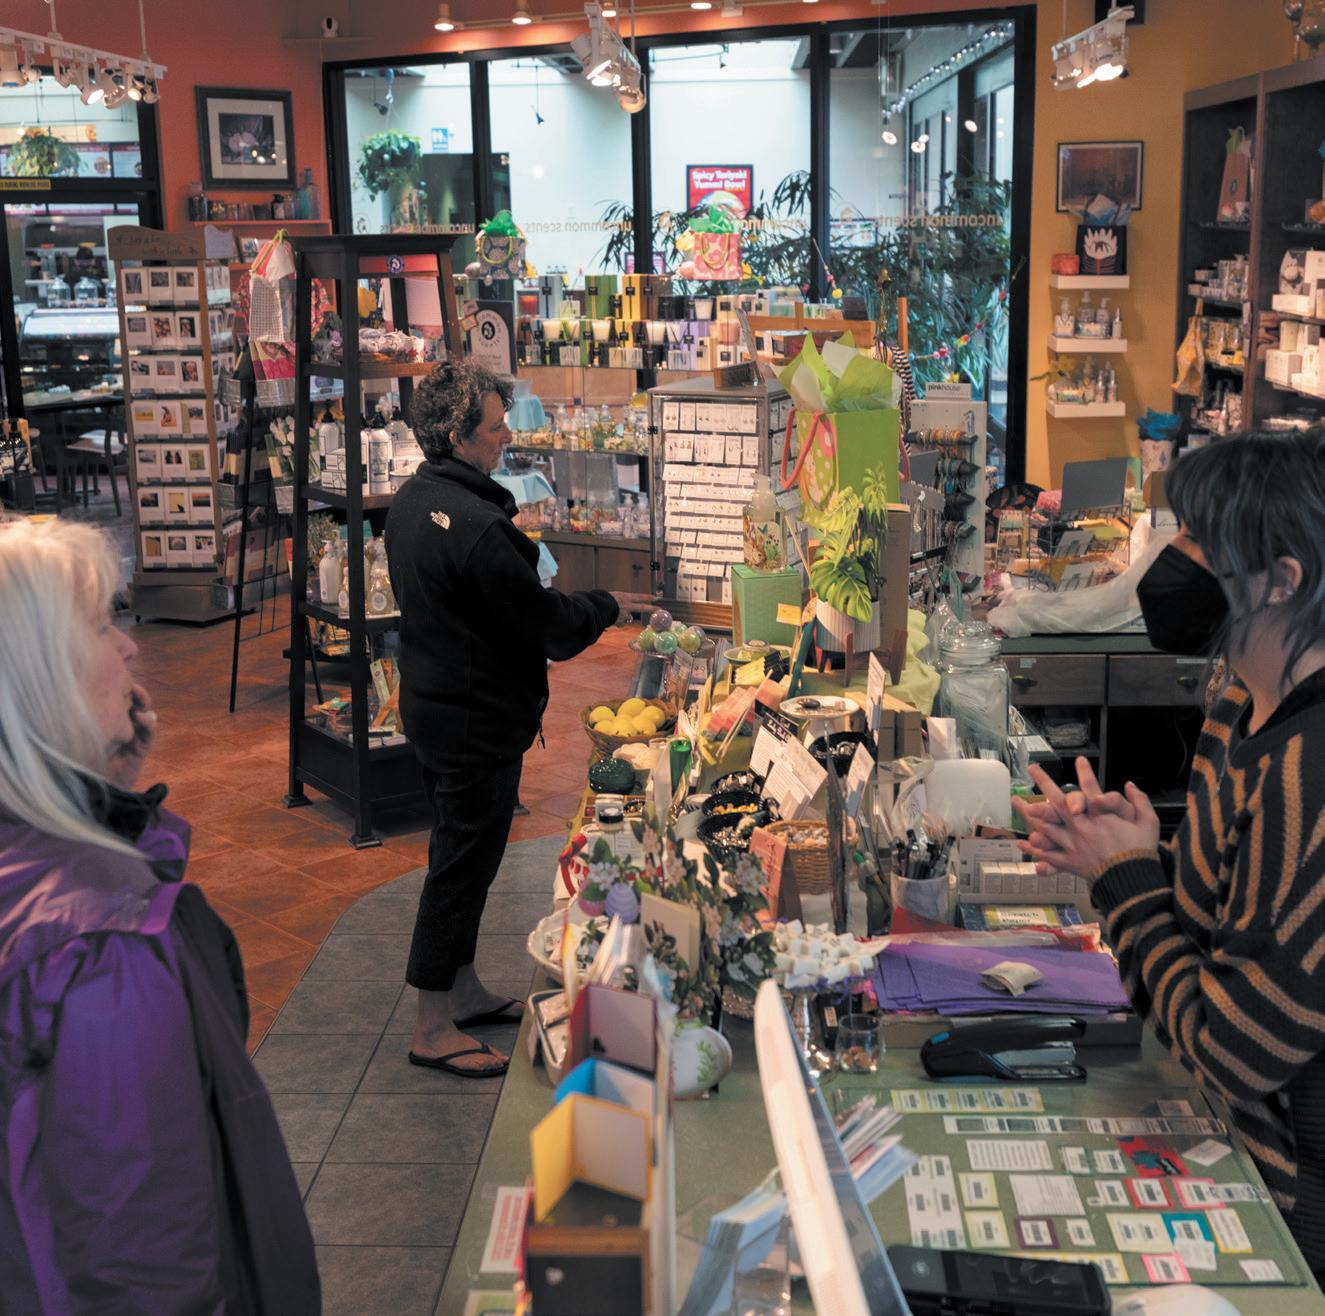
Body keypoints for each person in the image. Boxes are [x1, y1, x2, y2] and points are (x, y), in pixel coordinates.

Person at [1015, 429, 1325, 1280]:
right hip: (1219, 1139)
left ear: (1281, 578)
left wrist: (1125, 882)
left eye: (1198, 541)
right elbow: (1218, 924)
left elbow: (1233, 1045)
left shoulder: (1308, 776)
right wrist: (1137, 853)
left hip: (1287, 1218)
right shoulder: (1238, 705)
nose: (1172, 563)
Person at [0, 519, 319, 1312]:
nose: (129, 647)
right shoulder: (103, 946)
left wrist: (102, 798)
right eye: (100, 625)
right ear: (38, 677)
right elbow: (146, 1255)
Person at [386, 360, 652, 1079]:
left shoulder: (414, 499)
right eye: (496, 426)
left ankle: (461, 987)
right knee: (459, 865)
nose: (507, 436)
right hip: (474, 718)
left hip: (434, 702)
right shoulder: (476, 526)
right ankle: (431, 1026)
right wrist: (604, 605)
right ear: (457, 435)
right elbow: (547, 626)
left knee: (465, 854)